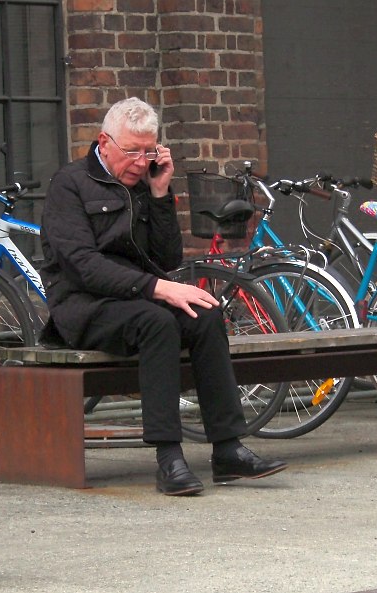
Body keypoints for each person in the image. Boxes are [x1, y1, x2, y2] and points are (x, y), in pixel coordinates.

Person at [39, 97, 287, 496]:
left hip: (136, 299)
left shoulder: (143, 183)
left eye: (148, 151)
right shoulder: (69, 185)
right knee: (157, 322)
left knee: (206, 314)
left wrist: (159, 194)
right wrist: (157, 289)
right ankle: (169, 457)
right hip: (83, 307)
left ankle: (228, 449)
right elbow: (82, 266)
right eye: (132, 151)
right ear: (104, 143)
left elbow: (167, 257)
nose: (140, 161)